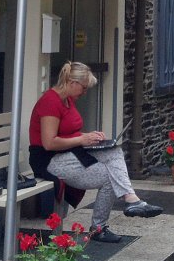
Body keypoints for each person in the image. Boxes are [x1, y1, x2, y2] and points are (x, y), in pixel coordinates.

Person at [28, 60, 163, 243]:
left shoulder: (67, 100)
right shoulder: (50, 102)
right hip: (48, 160)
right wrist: (82, 140)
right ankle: (99, 228)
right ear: (72, 83)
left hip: (69, 152)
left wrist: (89, 136)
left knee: (114, 151)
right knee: (109, 176)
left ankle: (132, 199)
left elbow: (67, 132)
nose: (85, 92)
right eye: (83, 88)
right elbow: (49, 143)